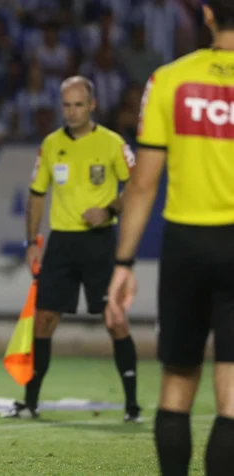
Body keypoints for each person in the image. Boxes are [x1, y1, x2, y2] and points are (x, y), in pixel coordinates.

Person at [106, 2, 234, 474]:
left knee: (177, 385)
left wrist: (123, 263)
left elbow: (143, 183)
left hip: (186, 244)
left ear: (205, 14)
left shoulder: (171, 79)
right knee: (232, 397)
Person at [3, 76, 141, 422]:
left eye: (79, 104)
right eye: (66, 105)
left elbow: (139, 186)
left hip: (99, 243)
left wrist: (108, 209)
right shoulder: (50, 145)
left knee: (115, 320)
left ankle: (132, 406)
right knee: (44, 321)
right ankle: (30, 403)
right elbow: (37, 195)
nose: (72, 111)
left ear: (92, 106)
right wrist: (32, 241)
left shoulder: (111, 143)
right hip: (62, 243)